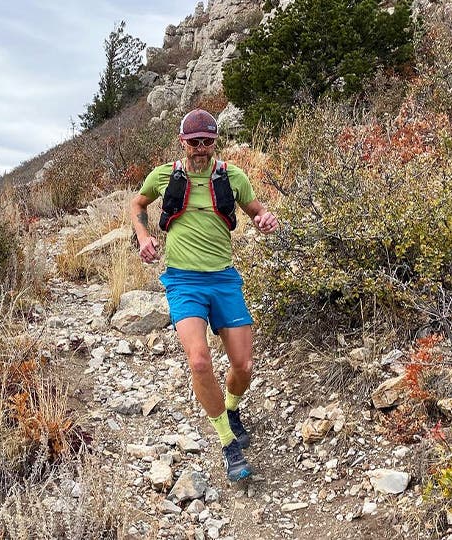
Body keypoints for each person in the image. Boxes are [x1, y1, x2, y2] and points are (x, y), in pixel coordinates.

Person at [130, 109, 278, 481]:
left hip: (224, 280)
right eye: (193, 141)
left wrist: (265, 220)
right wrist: (144, 236)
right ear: (182, 141)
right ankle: (229, 444)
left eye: (206, 141)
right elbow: (137, 205)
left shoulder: (233, 177)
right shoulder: (164, 176)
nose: (200, 148)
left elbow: (259, 211)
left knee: (243, 366)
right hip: (183, 281)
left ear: (215, 143)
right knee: (199, 361)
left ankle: (231, 408)